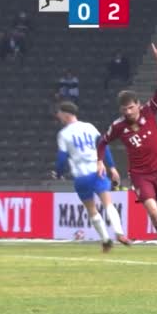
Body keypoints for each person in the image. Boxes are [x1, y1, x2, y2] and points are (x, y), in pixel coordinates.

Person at [97, 43, 157, 266]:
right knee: (154, 213)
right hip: (139, 174)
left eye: (131, 108)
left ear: (138, 105)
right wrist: (101, 161)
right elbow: (102, 141)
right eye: (124, 110)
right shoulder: (118, 126)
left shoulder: (149, 110)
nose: (128, 113)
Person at [52, 101, 131, 252]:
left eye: (60, 113)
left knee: (91, 209)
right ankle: (120, 233)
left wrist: (58, 173)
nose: (58, 116)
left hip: (81, 177)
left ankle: (106, 239)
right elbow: (103, 146)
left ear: (66, 114)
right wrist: (112, 167)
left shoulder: (63, 134)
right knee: (108, 203)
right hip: (97, 171)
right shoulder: (89, 127)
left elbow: (62, 158)